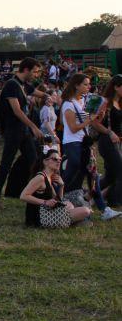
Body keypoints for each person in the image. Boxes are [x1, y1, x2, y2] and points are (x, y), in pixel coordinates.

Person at [0, 58, 47, 210]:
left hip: (23, 131)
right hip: (13, 131)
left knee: (35, 162)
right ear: (26, 70)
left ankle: (36, 196)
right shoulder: (11, 85)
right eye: (34, 71)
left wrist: (50, 97)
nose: (36, 75)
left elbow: (36, 92)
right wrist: (33, 126)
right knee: (6, 165)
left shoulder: (23, 85)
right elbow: (17, 110)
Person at [59, 74, 120, 220]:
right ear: (76, 85)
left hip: (83, 143)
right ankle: (59, 198)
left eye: (89, 84)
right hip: (72, 143)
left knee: (91, 176)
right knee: (72, 177)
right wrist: (90, 119)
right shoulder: (68, 104)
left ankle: (102, 209)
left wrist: (98, 117)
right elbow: (74, 128)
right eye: (85, 84)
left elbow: (86, 123)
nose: (89, 87)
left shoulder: (82, 102)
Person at [20, 149, 91, 228]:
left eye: (60, 159)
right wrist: (45, 202)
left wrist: (61, 186)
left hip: (47, 212)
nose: (58, 161)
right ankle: (74, 223)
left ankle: (74, 222)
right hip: (40, 218)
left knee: (69, 204)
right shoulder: (40, 177)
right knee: (86, 211)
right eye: (55, 159)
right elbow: (23, 196)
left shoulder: (49, 177)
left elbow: (57, 200)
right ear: (45, 161)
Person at [94, 75, 122, 210]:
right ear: (116, 87)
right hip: (106, 142)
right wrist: (110, 132)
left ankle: (89, 196)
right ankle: (117, 199)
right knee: (120, 170)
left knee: (111, 175)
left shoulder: (120, 102)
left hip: (117, 143)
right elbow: (94, 123)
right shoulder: (105, 102)